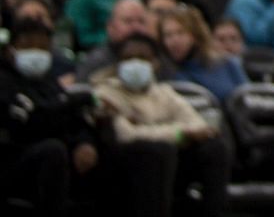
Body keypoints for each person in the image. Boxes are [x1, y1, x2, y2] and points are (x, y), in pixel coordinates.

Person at [92, 30, 234, 216]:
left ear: (155, 64)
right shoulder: (105, 94)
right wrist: (178, 134)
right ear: (118, 64)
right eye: (128, 58)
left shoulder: (164, 93)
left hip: (170, 163)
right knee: (159, 150)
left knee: (214, 147)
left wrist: (164, 130)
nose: (135, 64)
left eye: (142, 58)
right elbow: (126, 134)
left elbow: (197, 124)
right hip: (127, 164)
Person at [0, 13, 99, 211]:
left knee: (99, 151)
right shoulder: (5, 80)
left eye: (42, 48)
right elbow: (29, 123)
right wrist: (73, 102)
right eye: (28, 47)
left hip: (56, 157)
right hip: (14, 160)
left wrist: (84, 142)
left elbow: (76, 120)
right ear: (11, 50)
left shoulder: (49, 82)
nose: (36, 53)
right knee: (53, 150)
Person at [161, 4, 248, 101]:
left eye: (180, 33)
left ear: (196, 34)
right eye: (168, 35)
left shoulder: (228, 64)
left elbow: (248, 100)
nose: (174, 41)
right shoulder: (166, 74)